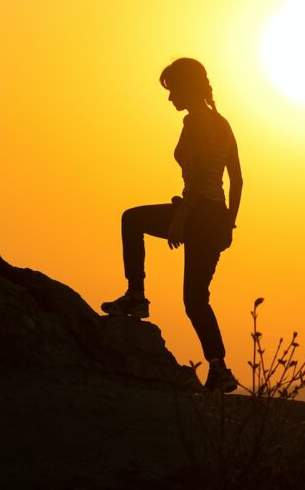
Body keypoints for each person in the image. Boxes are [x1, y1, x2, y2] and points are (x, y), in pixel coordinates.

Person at [101, 57, 243, 393]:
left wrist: (180, 219)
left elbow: (196, 178)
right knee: (196, 300)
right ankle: (219, 368)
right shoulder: (223, 123)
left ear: (186, 86)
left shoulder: (194, 123)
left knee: (131, 219)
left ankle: (136, 296)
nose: (169, 98)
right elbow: (236, 179)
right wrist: (229, 224)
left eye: (172, 89)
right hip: (214, 217)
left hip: (196, 214)